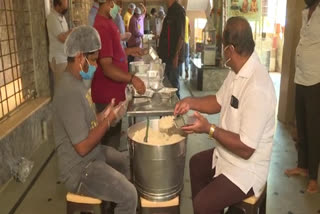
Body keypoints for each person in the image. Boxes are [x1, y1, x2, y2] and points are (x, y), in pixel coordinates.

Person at [174, 16, 277, 214]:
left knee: (203, 204)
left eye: (223, 46)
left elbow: (246, 148)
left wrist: (209, 129)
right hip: (227, 154)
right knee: (196, 164)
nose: (222, 51)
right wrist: (189, 102)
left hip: (246, 168)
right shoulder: (237, 70)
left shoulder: (257, 87)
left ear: (230, 49)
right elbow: (218, 101)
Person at [53, 25, 137, 214]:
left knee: (126, 162)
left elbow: (88, 122)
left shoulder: (77, 82)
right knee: (130, 195)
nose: (96, 65)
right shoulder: (69, 92)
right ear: (80, 57)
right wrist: (107, 122)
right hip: (80, 168)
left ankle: (109, 204)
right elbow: (82, 147)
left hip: (93, 154)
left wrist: (105, 114)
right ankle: (117, 200)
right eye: (93, 60)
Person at [92, 0, 146, 149]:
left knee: (114, 139)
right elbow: (107, 67)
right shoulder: (101, 26)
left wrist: (130, 51)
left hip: (115, 94)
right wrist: (132, 78)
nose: (117, 7)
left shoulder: (110, 22)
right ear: (107, 2)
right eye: (115, 3)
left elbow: (114, 53)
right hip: (106, 96)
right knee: (109, 147)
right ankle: (109, 171)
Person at [285, 0, 320, 194]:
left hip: (316, 80)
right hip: (301, 77)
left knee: (314, 130)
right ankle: (303, 165)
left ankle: (314, 177)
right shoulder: (305, 12)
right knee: (303, 126)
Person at [158, 0, 185, 99]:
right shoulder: (169, 11)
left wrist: (176, 55)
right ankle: (169, 111)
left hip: (173, 57)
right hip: (166, 57)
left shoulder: (179, 11)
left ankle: (177, 111)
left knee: (173, 86)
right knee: (167, 85)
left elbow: (181, 36)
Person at [46, 0, 72, 88]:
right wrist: (73, 31)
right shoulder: (52, 18)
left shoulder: (62, 17)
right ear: (58, 4)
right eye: (65, 2)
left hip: (64, 58)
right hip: (58, 59)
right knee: (62, 88)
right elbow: (62, 38)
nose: (67, 5)